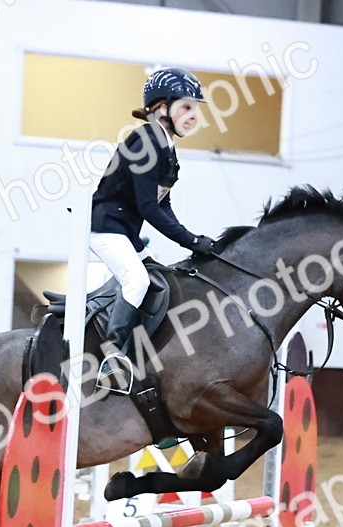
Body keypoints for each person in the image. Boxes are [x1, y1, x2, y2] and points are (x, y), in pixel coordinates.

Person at [90, 66, 217, 394]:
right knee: (138, 280)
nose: (193, 116)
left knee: (162, 281)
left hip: (126, 233)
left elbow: (162, 205)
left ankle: (144, 356)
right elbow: (149, 207)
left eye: (195, 110)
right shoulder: (145, 141)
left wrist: (194, 241)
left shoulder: (167, 147)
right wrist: (191, 240)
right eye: (187, 107)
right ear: (162, 108)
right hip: (105, 228)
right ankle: (112, 357)